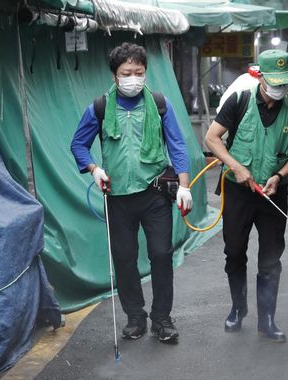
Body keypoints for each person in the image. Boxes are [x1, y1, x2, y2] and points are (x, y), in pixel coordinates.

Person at [70, 42, 192, 344]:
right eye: (127, 72)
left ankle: (162, 319)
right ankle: (135, 317)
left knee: (161, 255)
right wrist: (94, 169)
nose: (134, 78)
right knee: (124, 259)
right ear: (115, 75)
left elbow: (177, 145)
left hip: (155, 194)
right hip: (118, 197)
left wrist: (185, 186)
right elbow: (78, 145)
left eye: (140, 72)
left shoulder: (161, 104)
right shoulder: (98, 108)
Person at [205, 49, 288, 343]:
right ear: (260, 77)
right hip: (238, 190)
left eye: (284, 83)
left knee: (271, 256)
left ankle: (268, 319)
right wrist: (236, 167)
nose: (279, 89)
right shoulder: (239, 100)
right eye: (274, 82)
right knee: (235, 251)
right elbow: (212, 138)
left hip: (274, 192)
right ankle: (238, 308)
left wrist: (280, 175)